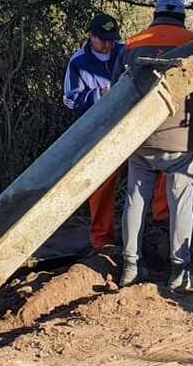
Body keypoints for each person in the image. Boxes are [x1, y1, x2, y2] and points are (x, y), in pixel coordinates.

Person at [118, 0, 193, 292]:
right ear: (182, 17)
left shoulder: (132, 44)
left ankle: (130, 267)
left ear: (155, 16)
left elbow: (116, 93)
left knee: (134, 202)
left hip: (140, 139)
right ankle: (179, 273)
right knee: (181, 206)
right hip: (183, 139)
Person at [63, 13, 166, 253]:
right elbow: (70, 99)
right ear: (91, 36)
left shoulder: (126, 50)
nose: (109, 45)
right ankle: (102, 240)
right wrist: (100, 94)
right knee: (101, 185)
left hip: (131, 126)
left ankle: (160, 225)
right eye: (103, 40)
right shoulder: (78, 62)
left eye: (112, 39)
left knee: (159, 165)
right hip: (97, 131)